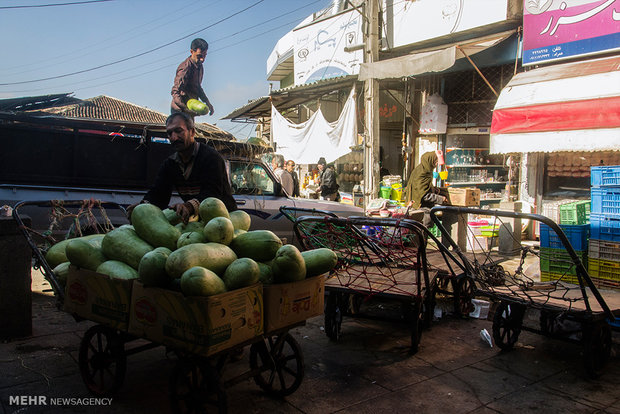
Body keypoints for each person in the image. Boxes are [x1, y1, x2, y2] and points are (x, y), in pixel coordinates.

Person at [128, 112, 235, 223]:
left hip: (226, 219)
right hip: (200, 222)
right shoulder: (170, 164)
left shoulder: (211, 158)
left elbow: (212, 194)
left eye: (179, 131)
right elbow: (159, 194)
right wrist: (143, 206)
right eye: (169, 133)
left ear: (192, 132)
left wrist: (189, 206)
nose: (174, 137)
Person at [403, 150, 453, 231]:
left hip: (422, 209)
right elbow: (424, 195)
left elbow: (426, 188)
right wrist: (441, 199)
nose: (436, 164)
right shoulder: (422, 174)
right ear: (429, 161)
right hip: (419, 210)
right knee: (421, 235)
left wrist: (435, 190)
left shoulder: (425, 171)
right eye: (435, 162)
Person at [171, 38, 214, 118]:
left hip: (191, 108)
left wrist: (207, 102)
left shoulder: (200, 66)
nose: (202, 59)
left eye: (204, 56)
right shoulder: (185, 68)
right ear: (191, 52)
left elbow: (197, 87)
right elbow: (175, 91)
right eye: (199, 56)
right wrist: (185, 109)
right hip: (180, 110)